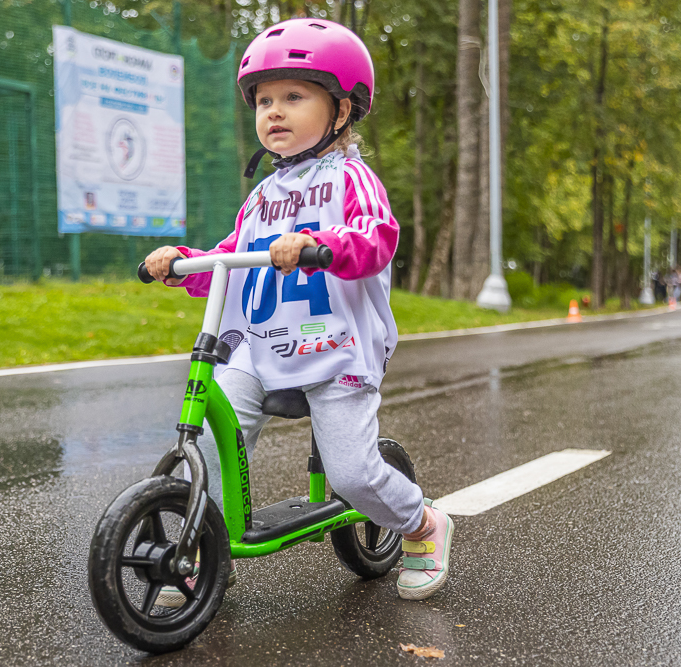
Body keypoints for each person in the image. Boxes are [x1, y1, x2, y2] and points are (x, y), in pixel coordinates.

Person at [144, 18, 452, 605]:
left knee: (353, 476)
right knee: (207, 447)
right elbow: (231, 257)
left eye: (293, 96)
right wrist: (183, 260)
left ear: (340, 110)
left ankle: (422, 524)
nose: (274, 112)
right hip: (259, 347)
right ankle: (201, 548)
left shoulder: (352, 179)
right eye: (264, 100)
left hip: (334, 350)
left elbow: (377, 239)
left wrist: (324, 247)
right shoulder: (262, 196)